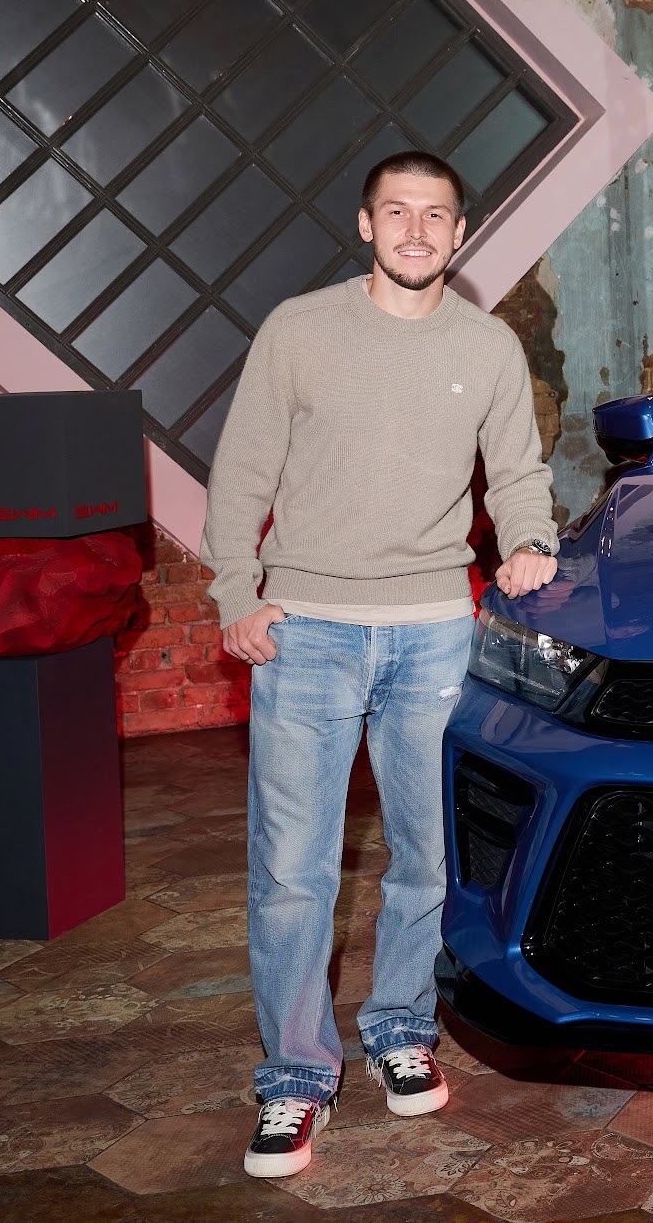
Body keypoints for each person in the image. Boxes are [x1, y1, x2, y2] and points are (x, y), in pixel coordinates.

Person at [205, 151, 560, 1177]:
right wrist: (236, 591)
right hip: (307, 629)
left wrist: (529, 539)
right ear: (365, 225)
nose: (415, 229)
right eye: (396, 211)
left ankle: (402, 1026)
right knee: (292, 869)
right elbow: (242, 471)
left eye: (435, 214)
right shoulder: (299, 329)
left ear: (460, 232)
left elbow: (518, 471)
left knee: (430, 856)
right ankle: (294, 1077)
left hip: (434, 630)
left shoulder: (487, 345)